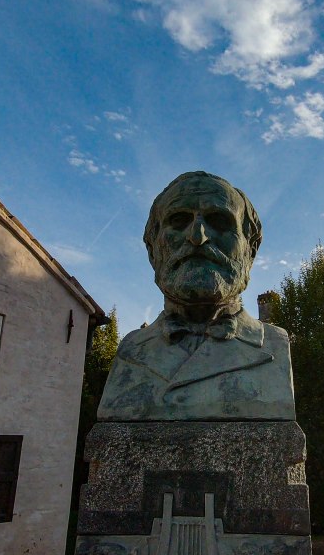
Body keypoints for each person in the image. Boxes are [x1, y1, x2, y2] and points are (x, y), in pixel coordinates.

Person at [97, 171, 296, 421]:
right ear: (152, 249)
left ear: (251, 249)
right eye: (179, 221)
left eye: (220, 221)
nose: (197, 237)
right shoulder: (131, 350)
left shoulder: (274, 345)